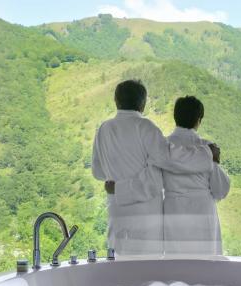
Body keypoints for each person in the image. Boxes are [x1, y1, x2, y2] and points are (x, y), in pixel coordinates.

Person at [91, 80, 219, 255]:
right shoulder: (144, 127)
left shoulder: (103, 129)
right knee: (148, 270)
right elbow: (169, 158)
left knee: (120, 265)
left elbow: (98, 172)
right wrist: (207, 153)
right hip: (145, 215)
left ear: (116, 100)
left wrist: (116, 184)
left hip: (117, 212)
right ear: (142, 104)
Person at [162, 96, 230, 254]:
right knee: (204, 265)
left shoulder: (163, 146)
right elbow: (221, 188)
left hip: (174, 209)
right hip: (202, 210)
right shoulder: (207, 148)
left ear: (175, 117)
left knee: (176, 264)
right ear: (199, 120)